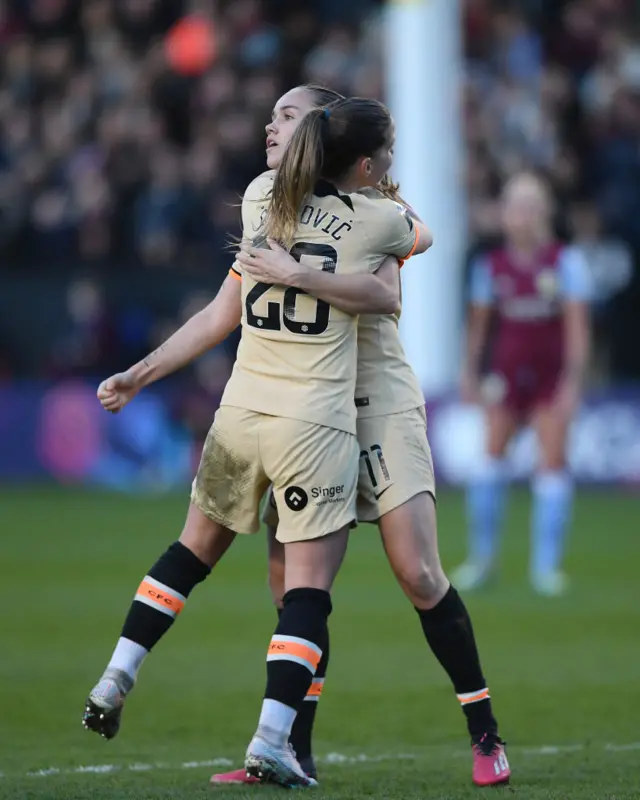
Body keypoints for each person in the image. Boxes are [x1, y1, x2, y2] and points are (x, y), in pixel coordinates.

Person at [83, 94, 431, 789]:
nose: (268, 126)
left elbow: (221, 312)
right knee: (305, 592)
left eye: (283, 116)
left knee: (190, 553)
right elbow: (404, 262)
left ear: (307, 137)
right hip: (314, 425)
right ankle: (273, 741)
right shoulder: (379, 220)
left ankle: (117, 673)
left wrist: (140, 373)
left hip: (240, 414)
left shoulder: (260, 198)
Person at [454, 172, 592, 597]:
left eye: (531, 206)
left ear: (544, 211)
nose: (522, 215)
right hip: (505, 376)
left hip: (549, 378)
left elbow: (577, 329)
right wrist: (469, 371)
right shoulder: (489, 266)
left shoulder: (566, 262)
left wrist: (572, 382)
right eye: (515, 206)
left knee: (552, 466)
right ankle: (482, 560)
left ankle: (546, 568)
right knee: (490, 462)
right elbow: (478, 328)